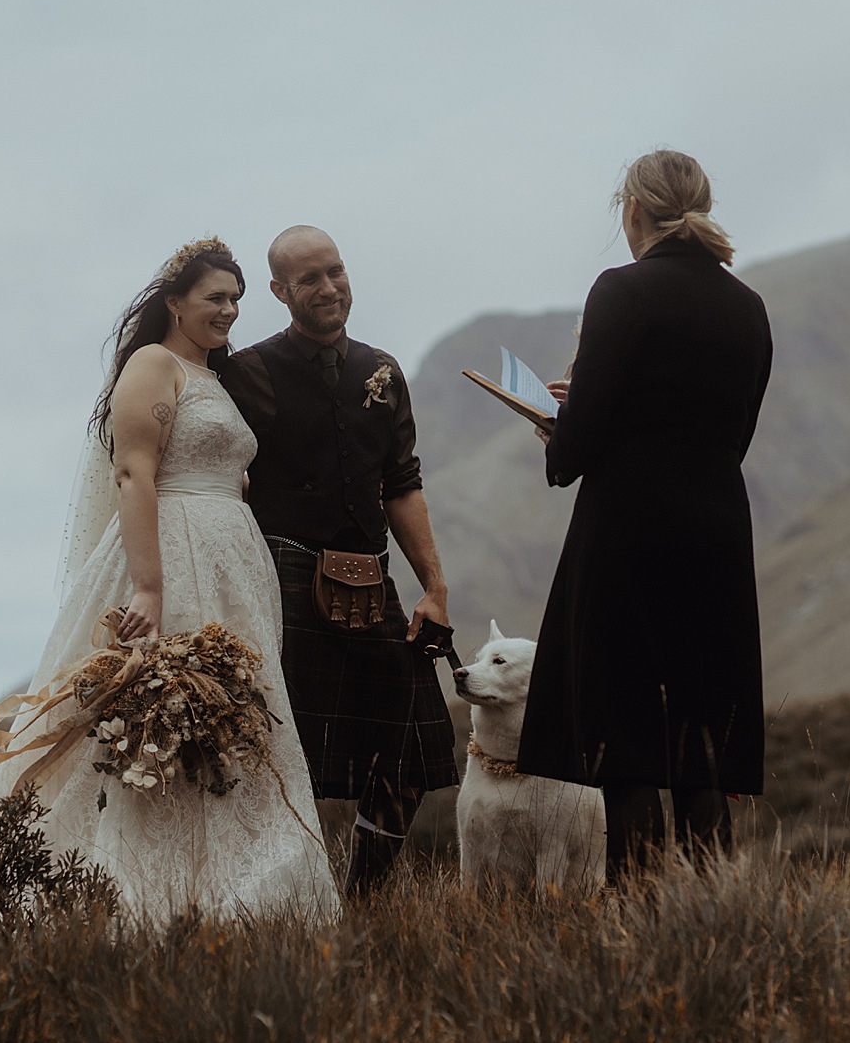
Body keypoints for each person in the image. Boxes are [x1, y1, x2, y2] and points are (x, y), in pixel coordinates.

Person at [0, 237, 340, 925]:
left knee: (230, 718)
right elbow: (133, 473)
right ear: (175, 302)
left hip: (231, 565)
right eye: (215, 297)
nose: (229, 310)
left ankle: (225, 890)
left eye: (236, 298)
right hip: (172, 560)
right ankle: (131, 890)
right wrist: (148, 588)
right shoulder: (154, 364)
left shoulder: (215, 380)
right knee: (156, 717)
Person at [517, 151, 773, 886]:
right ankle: (711, 913)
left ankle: (639, 918)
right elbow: (731, 433)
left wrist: (560, 429)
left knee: (625, 739)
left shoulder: (621, 291)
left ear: (632, 211)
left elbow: (584, 441)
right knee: (700, 741)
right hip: (717, 529)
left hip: (629, 529)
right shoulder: (747, 306)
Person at [220, 225, 458, 895]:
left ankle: (363, 902)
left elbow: (402, 483)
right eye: (310, 279)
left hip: (372, 577)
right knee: (267, 761)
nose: (329, 288)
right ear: (279, 291)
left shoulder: (381, 371)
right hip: (282, 578)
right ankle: (270, 904)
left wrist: (434, 588)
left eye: (337, 271)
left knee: (407, 760)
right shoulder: (248, 373)